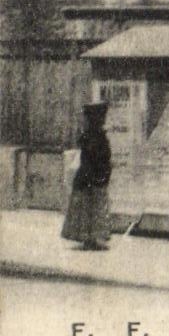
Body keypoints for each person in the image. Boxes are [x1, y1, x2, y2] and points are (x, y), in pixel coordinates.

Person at [61, 101, 112, 250]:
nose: (103, 119)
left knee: (89, 208)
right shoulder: (95, 136)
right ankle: (90, 239)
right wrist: (99, 175)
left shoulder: (91, 135)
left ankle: (90, 239)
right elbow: (97, 158)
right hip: (91, 178)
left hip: (90, 177)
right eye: (101, 116)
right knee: (91, 208)